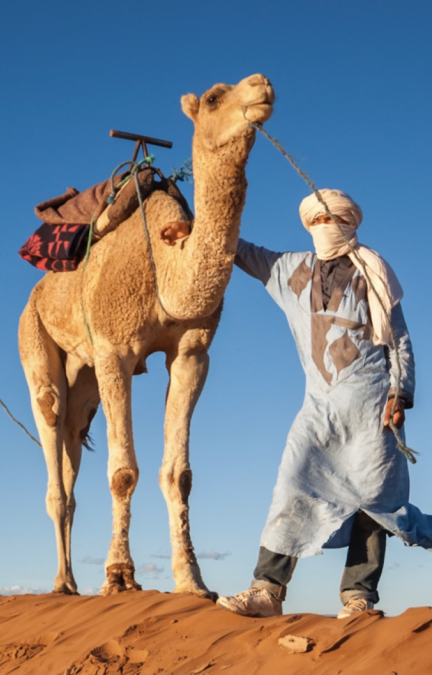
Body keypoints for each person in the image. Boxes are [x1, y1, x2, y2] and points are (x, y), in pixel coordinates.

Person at [165, 189, 430, 619]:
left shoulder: (374, 273)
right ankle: (267, 590)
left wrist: (401, 395)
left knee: (373, 501)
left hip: (372, 404)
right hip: (319, 405)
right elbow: (240, 250)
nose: (326, 228)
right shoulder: (290, 269)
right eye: (319, 221)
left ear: (350, 224)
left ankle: (359, 599)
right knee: (292, 481)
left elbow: (398, 340)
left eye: (334, 220)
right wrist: (197, 229)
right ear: (308, 226)